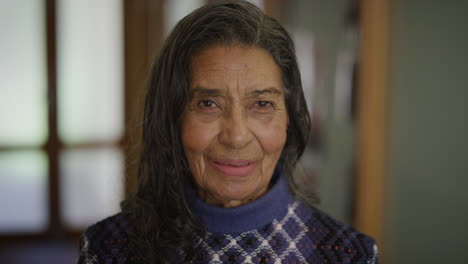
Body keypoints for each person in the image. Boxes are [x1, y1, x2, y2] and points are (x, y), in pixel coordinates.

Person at [76, 1, 378, 263]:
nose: (236, 137)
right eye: (208, 104)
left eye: (261, 103)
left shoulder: (348, 255)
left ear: (289, 117)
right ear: (173, 117)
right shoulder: (107, 249)